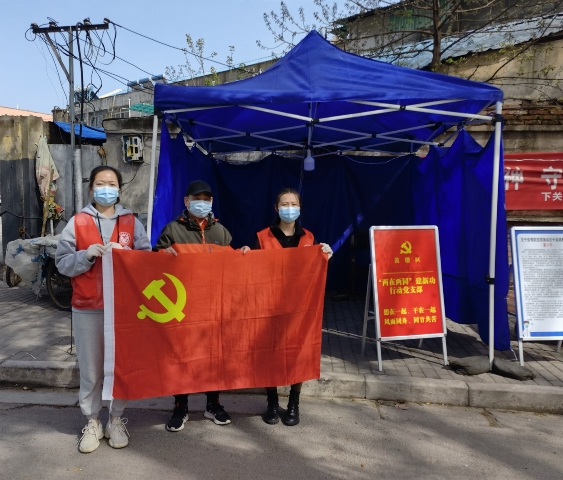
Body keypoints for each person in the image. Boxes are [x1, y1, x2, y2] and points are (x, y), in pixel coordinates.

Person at [56, 166, 152, 453]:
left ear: (119, 189)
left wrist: (129, 257)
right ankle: (93, 421)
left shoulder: (131, 222)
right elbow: (62, 263)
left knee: (121, 366)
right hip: (88, 307)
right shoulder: (78, 222)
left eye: (111, 183)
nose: (106, 188)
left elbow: (147, 261)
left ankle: (116, 419)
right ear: (91, 188)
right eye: (100, 183)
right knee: (91, 369)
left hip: (124, 309)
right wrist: (85, 256)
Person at [247, 187, 332, 426]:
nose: (289, 208)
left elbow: (315, 272)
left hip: (299, 310)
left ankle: (294, 403)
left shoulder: (309, 238)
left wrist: (325, 255)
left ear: (300, 208)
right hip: (270, 309)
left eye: (293, 204)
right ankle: (272, 402)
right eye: (284, 204)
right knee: (270, 354)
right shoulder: (262, 237)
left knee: (298, 354)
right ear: (276, 208)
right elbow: (251, 271)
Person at [153, 180, 233, 432]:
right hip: (183, 307)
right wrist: (162, 256)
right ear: (186, 201)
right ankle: (180, 407)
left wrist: (242, 253)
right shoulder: (172, 230)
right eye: (197, 198)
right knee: (181, 356)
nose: (202, 203)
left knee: (214, 356)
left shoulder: (222, 233)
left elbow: (234, 267)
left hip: (213, 306)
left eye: (206, 199)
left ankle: (213, 404)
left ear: (212, 202)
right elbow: (152, 266)